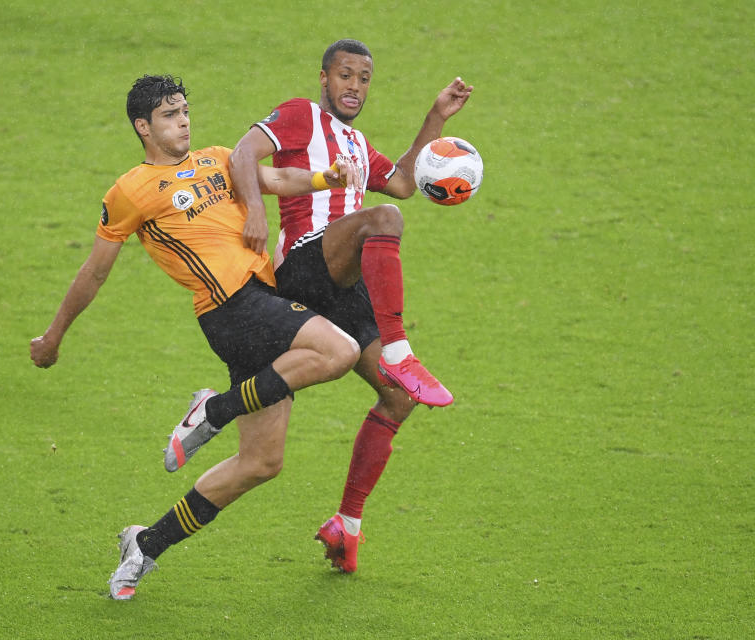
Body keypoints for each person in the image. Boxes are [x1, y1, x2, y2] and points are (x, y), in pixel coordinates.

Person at [30, 74, 362, 600]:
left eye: (184, 110)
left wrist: (328, 178)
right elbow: (94, 272)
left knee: (260, 463)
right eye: (168, 114)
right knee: (339, 350)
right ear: (143, 127)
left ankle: (145, 545)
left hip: (260, 303)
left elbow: (274, 180)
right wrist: (53, 337)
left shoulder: (217, 157)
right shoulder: (130, 190)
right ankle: (213, 410)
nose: (182, 120)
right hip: (231, 308)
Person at [229, 39, 474, 573]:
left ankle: (347, 525)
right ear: (324, 78)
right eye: (346, 76)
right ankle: (400, 350)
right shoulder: (298, 116)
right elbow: (241, 154)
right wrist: (256, 213)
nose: (355, 87)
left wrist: (436, 115)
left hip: (344, 286)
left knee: (398, 402)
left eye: (364, 78)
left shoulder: (359, 146)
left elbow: (406, 182)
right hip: (304, 263)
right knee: (382, 221)